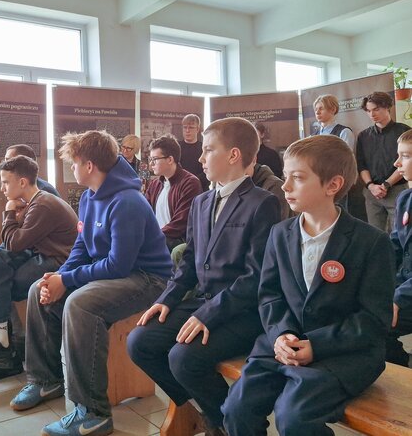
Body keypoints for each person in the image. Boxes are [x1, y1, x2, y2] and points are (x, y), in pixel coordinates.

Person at [222, 135, 395, 436]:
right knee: (236, 410)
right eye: (285, 176)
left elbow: (374, 318)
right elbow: (270, 296)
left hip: (343, 354)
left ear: (333, 185)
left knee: (294, 418)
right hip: (283, 346)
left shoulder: (371, 242)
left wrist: (317, 345)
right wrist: (281, 334)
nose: (285, 186)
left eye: (298, 178)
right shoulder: (280, 233)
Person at [9, 130, 173, 436]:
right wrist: (59, 277)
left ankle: (93, 413)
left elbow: (119, 265)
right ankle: (45, 380)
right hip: (120, 273)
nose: (71, 168)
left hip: (148, 278)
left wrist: (68, 280)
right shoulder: (88, 197)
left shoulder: (128, 201)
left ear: (89, 166)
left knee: (80, 304)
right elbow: (82, 247)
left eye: (74, 163)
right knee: (37, 289)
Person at [127, 117, 281, 434]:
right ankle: (212, 412)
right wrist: (166, 300)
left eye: (208, 150)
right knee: (139, 342)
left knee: (184, 358)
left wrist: (207, 315)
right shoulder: (201, 201)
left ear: (234, 155)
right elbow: (189, 261)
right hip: (202, 302)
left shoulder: (262, 203)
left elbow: (255, 276)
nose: (200, 158)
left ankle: (229, 423)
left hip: (241, 311)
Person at [0, 155, 78, 382]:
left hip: (59, 263)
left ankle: (3, 348)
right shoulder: (35, 202)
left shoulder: (42, 204)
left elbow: (14, 244)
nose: (2, 188)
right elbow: (15, 242)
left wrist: (10, 212)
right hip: (43, 255)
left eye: (5, 182)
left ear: (22, 182)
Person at [0, 143, 61, 297]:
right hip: (25, 248)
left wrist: (9, 211)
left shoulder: (43, 193)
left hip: (39, 253)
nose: (5, 164)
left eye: (9, 160)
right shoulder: (20, 191)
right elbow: (14, 237)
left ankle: (0, 314)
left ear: (24, 163)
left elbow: (20, 242)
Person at [356, 91, 410, 231]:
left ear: (387, 107)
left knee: (399, 232)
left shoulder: (404, 132)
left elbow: (406, 163)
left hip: (397, 190)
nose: (372, 114)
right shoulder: (363, 136)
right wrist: (371, 186)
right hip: (372, 192)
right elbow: (361, 165)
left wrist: (386, 184)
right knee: (375, 234)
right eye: (368, 111)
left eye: (376, 109)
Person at [145, 134, 202, 252]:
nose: (151, 164)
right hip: (158, 239)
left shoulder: (190, 183)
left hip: (177, 243)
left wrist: (152, 238)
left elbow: (180, 224)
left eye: (155, 159)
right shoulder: (155, 184)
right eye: (150, 159)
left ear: (170, 160)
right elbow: (144, 213)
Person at [387, 128, 412, 367]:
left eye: (405, 156)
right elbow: (393, 247)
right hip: (401, 285)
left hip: (407, 292)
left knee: (377, 323)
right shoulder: (405, 199)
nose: (397, 163)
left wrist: (398, 297)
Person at [179, 114, 210, 190]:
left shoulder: (205, 148)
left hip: (201, 189)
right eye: (185, 127)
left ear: (197, 129)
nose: (187, 131)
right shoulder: (176, 147)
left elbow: (208, 171)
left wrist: (191, 181)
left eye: (191, 127)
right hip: (180, 188)